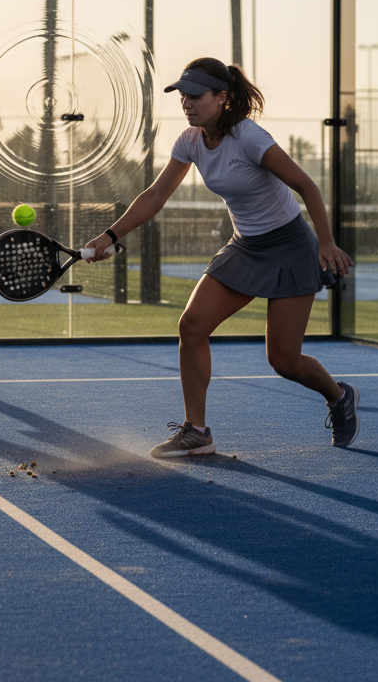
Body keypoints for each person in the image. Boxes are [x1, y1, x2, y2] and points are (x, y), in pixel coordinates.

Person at [83, 57, 358, 456]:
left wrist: (327, 243)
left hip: (290, 246)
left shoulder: (250, 137)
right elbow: (155, 197)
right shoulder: (190, 141)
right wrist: (110, 235)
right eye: (182, 96)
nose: (187, 103)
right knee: (192, 325)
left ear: (222, 98)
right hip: (245, 246)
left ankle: (339, 396)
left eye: (195, 96)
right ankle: (196, 431)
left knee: (284, 359)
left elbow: (306, 185)